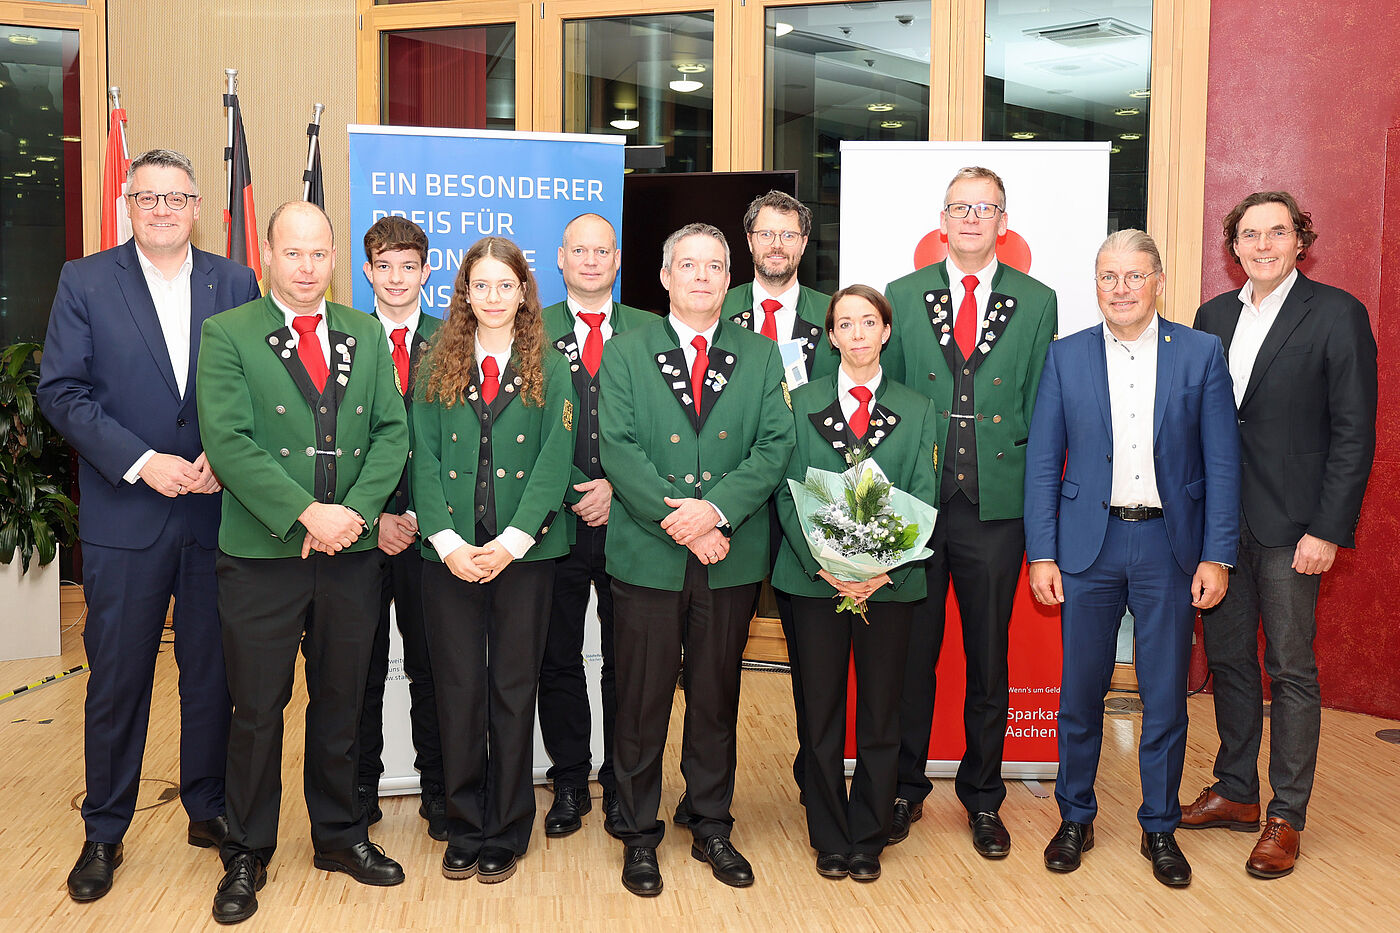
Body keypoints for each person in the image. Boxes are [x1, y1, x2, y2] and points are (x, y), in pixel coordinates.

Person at [38, 148, 260, 903]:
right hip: (126, 513)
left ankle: (209, 807)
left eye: (175, 197)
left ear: (197, 207)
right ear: (128, 205)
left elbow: (255, 387)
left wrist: (222, 456)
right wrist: (142, 461)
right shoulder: (85, 280)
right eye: (147, 197)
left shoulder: (235, 281)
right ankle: (103, 829)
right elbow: (62, 392)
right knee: (118, 679)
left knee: (213, 674)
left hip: (215, 511)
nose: (162, 209)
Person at [196, 201, 409, 924]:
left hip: (349, 553)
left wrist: (354, 513)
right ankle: (246, 850)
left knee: (342, 700)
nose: (308, 267)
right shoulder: (229, 333)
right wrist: (306, 513)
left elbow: (392, 431)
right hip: (263, 555)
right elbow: (228, 441)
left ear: (335, 258)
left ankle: (340, 835)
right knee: (257, 709)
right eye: (294, 253)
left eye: (320, 253)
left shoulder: (364, 332)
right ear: (267, 254)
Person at [1024, 229, 1240, 888]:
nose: (1121, 289)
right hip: (1086, 547)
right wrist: (1042, 552)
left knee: (1165, 695)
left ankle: (1160, 825)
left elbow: (1222, 463)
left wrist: (1218, 554)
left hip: (1168, 547)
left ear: (1158, 282)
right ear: (1096, 284)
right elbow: (1042, 462)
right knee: (1080, 693)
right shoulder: (1065, 355)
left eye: (1134, 276)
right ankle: (1075, 816)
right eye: (1109, 277)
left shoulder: (1200, 352)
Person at [1182, 192, 1378, 878]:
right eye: (1249, 234)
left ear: (1300, 241)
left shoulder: (1337, 314)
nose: (1262, 245)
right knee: (1229, 660)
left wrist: (1327, 529)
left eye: (1276, 232)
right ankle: (1237, 789)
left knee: (1290, 669)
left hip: (1294, 528)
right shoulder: (1213, 317)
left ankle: (1286, 814)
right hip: (1221, 524)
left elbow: (1354, 432)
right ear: (1233, 246)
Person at [599, 223, 795, 897]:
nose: (702, 276)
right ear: (665, 276)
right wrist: (683, 523)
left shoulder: (761, 355)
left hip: (728, 556)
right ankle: (637, 832)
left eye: (714, 265)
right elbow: (619, 448)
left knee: (715, 697)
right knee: (642, 700)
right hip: (648, 554)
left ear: (728, 277)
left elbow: (774, 447)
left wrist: (714, 512)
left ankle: (711, 822)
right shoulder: (625, 351)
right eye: (688, 264)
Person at [883, 165, 1057, 856]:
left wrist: (1041, 517)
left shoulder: (1036, 301)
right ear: (943, 219)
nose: (972, 218)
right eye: (961, 207)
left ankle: (984, 797)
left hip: (996, 507)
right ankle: (904, 787)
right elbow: (889, 404)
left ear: (1003, 222)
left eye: (985, 208)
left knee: (989, 660)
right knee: (911, 656)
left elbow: (1043, 411)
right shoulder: (903, 294)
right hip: (919, 504)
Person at [412, 236, 576, 884]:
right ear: (464, 294)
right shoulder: (435, 362)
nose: (493, 297)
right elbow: (421, 456)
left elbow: (554, 460)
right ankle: (463, 823)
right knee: (457, 692)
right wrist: (447, 542)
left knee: (512, 690)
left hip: (524, 557)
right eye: (480, 285)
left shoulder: (552, 365)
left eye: (505, 285)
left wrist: (511, 542)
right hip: (449, 555)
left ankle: (506, 827)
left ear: (524, 292)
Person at [773, 285, 938, 883]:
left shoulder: (917, 407)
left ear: (886, 332)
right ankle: (828, 833)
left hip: (889, 587)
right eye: (845, 324)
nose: (858, 333)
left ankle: (868, 835)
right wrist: (823, 563)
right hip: (815, 582)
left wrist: (882, 568)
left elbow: (923, 492)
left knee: (880, 713)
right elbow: (784, 489)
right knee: (819, 714)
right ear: (832, 336)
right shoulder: (799, 402)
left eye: (869, 322)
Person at [717, 189, 836, 805]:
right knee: (716, 661)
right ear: (749, 241)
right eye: (766, 234)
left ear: (804, 244)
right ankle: (709, 789)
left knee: (816, 662)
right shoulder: (715, 307)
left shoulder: (835, 315)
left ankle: (818, 781)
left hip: (808, 505)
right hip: (732, 507)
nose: (777, 245)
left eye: (789, 235)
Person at [538, 213, 654, 838]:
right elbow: (520, 432)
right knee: (556, 657)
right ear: (560, 258)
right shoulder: (530, 331)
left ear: (617, 258)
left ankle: (619, 781)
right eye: (578, 250)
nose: (590, 260)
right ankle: (568, 779)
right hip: (552, 526)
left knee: (625, 661)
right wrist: (571, 491)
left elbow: (666, 430)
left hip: (630, 524)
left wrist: (617, 486)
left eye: (601, 251)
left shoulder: (651, 332)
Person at [355, 215, 446, 840]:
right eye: (384, 266)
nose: (396, 278)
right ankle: (358, 792)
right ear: (367, 271)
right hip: (360, 535)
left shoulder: (453, 340)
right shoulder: (348, 338)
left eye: (408, 267)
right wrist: (376, 516)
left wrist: (417, 515)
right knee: (358, 671)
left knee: (433, 668)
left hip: (431, 536)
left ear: (425, 272)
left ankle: (439, 789)